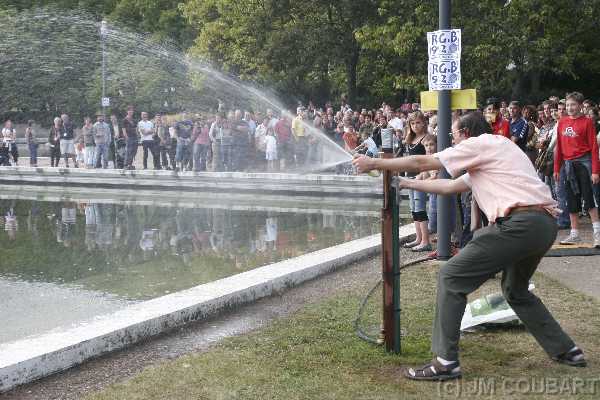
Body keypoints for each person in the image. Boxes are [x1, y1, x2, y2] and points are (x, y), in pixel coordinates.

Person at [353, 111, 587, 381]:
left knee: (451, 276)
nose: (452, 140)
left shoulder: (479, 144)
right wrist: (404, 182)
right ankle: (566, 350)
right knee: (515, 290)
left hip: (519, 224)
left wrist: (375, 163)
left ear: (465, 133)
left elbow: (424, 160)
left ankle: (445, 362)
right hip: (542, 225)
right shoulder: (498, 150)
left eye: (454, 134)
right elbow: (451, 186)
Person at [553, 92, 600, 248]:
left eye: (573, 104)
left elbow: (594, 147)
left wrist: (595, 171)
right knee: (571, 200)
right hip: (567, 165)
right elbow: (559, 147)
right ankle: (574, 234)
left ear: (580, 106)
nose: (569, 108)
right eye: (567, 105)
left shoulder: (587, 122)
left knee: (589, 199)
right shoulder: (562, 122)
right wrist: (557, 169)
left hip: (584, 164)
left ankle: (597, 233)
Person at [401, 111, 431, 252]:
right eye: (412, 123)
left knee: (420, 208)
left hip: (420, 178)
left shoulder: (426, 138)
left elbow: (430, 157)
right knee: (413, 209)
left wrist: (424, 173)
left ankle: (426, 241)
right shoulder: (410, 140)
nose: (415, 126)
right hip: (410, 177)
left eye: (418, 122)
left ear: (424, 123)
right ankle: (418, 238)